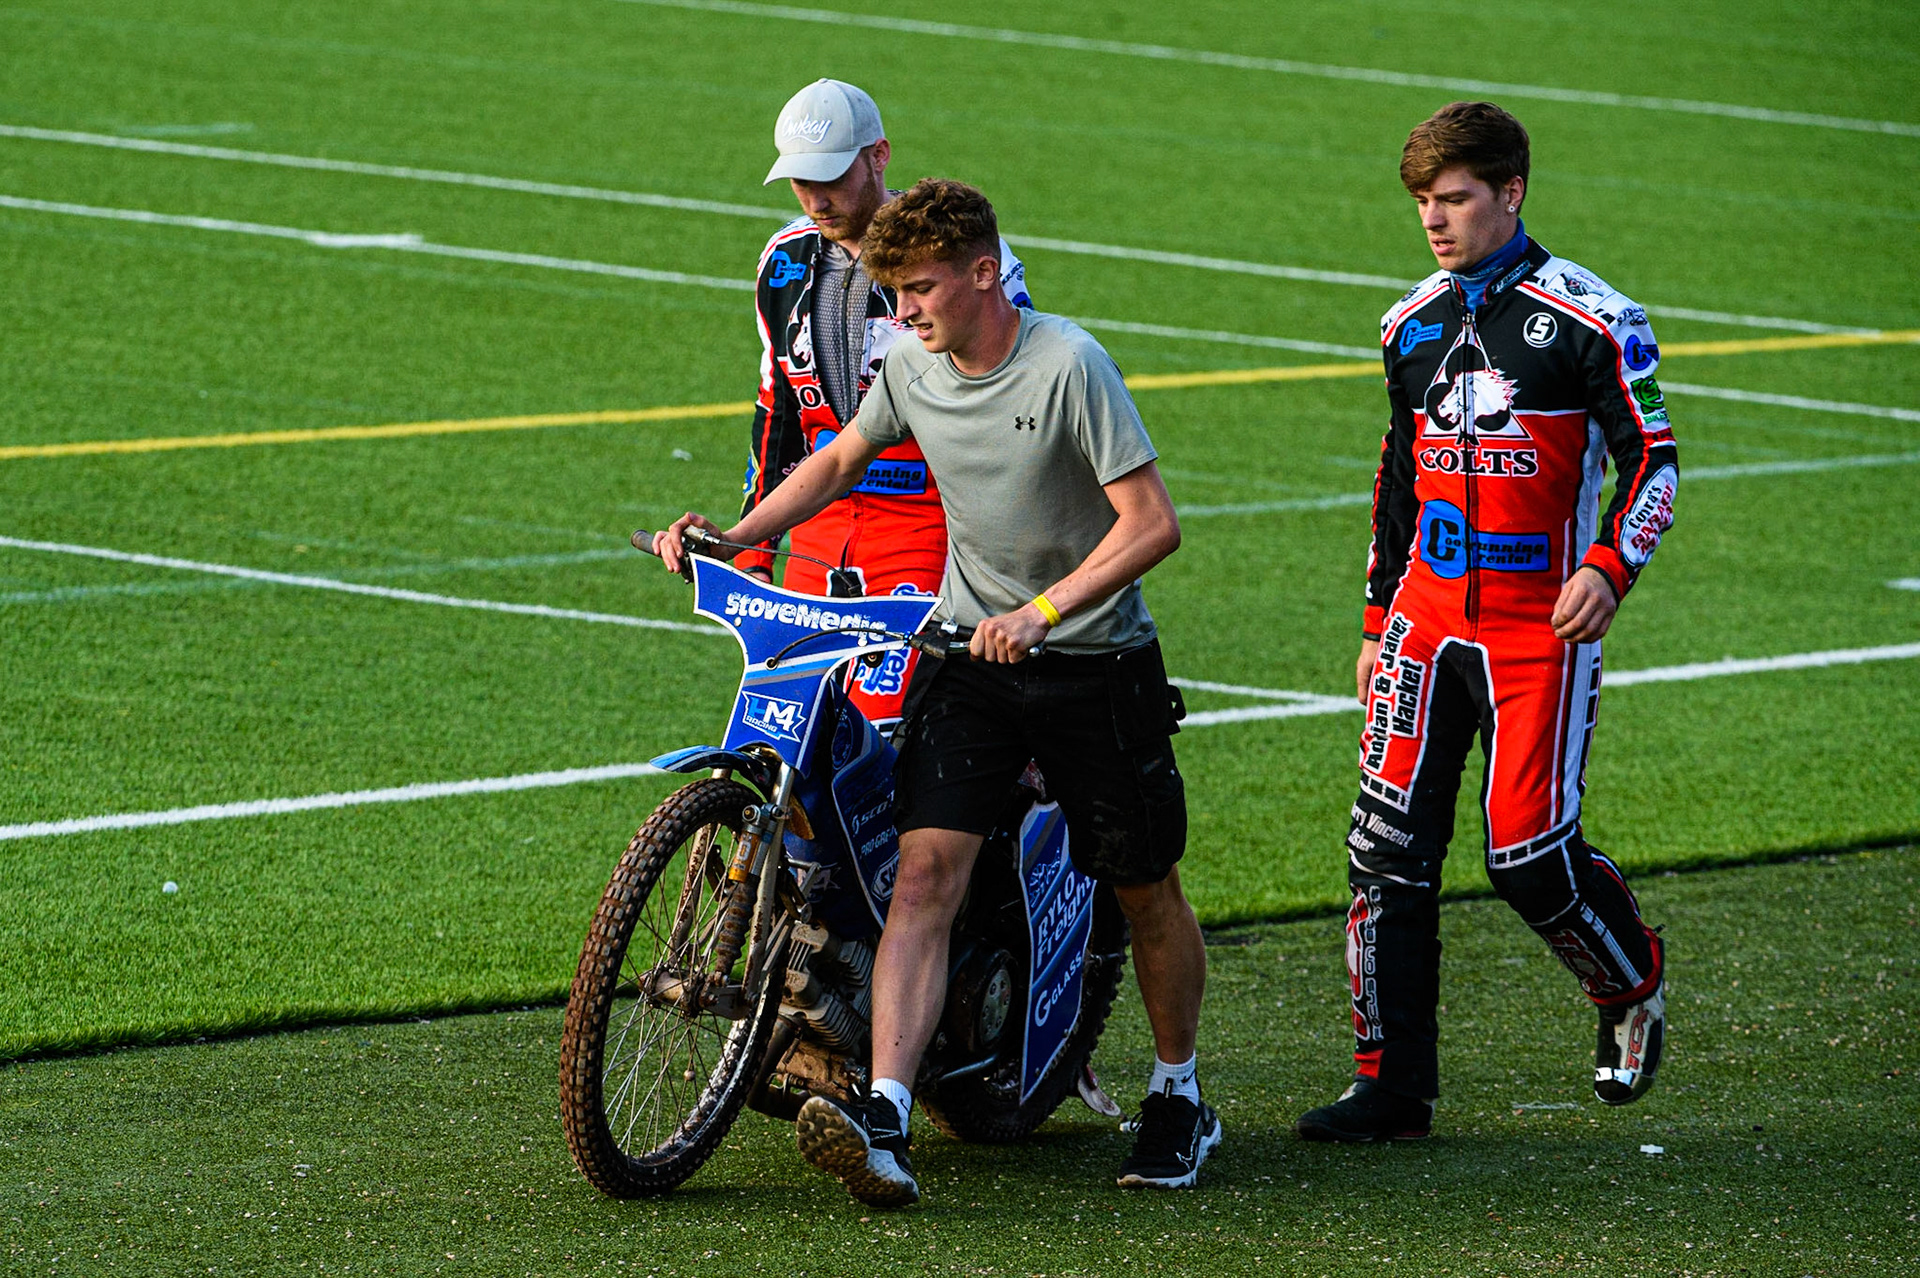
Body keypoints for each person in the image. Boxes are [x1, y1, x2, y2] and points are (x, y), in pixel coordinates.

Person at [658, 178, 1217, 1205]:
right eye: (894, 294)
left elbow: (1150, 525)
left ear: (983, 273)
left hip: (1092, 664)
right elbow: (836, 461)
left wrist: (1042, 615)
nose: (903, 314)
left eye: (918, 290)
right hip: (969, 661)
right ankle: (887, 1112)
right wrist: (737, 537)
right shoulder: (911, 367)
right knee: (924, 878)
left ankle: (1179, 1095)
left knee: (1145, 889)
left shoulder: (1070, 366)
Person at [1295, 101, 1677, 1143]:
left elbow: (1654, 463)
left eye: (1455, 198)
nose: (1435, 218)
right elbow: (1397, 477)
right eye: (1423, 201)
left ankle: (1628, 980)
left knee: (1527, 860)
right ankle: (1392, 1086)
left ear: (1511, 193)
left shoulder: (1595, 319)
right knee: (1384, 853)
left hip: (1536, 634)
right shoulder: (1407, 324)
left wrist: (1608, 568)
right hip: (1424, 624)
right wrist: (1378, 616)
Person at [743, 78, 1032, 730]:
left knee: (895, 728)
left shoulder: (960, 262)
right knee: (786, 728)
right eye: (799, 181)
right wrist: (753, 551)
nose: (817, 199)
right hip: (817, 524)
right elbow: (777, 409)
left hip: (931, 527)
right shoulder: (782, 261)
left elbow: (1015, 404)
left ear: (879, 156)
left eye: (832, 177)